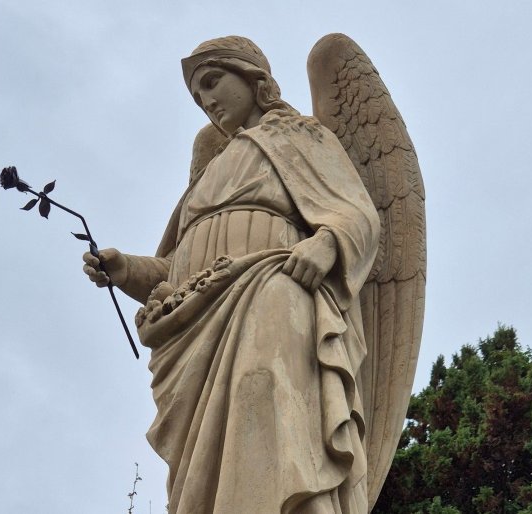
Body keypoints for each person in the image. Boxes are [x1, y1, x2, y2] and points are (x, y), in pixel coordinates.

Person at [83, 36, 380, 513]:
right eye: (199, 97)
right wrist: (125, 269)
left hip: (273, 287)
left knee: (266, 391)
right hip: (194, 323)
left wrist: (326, 244)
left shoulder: (300, 136)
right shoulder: (211, 167)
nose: (208, 102)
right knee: (208, 456)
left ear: (253, 77)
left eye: (212, 82)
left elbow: (359, 215)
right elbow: (178, 268)